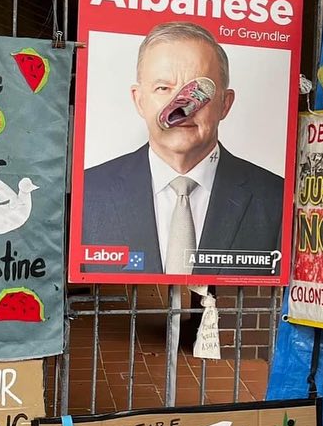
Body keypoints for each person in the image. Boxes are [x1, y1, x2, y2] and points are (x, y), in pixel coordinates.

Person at [81, 22, 284, 275]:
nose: (181, 109)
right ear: (139, 100)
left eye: (199, 90)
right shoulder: (87, 194)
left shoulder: (277, 200)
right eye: (163, 88)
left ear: (225, 104)